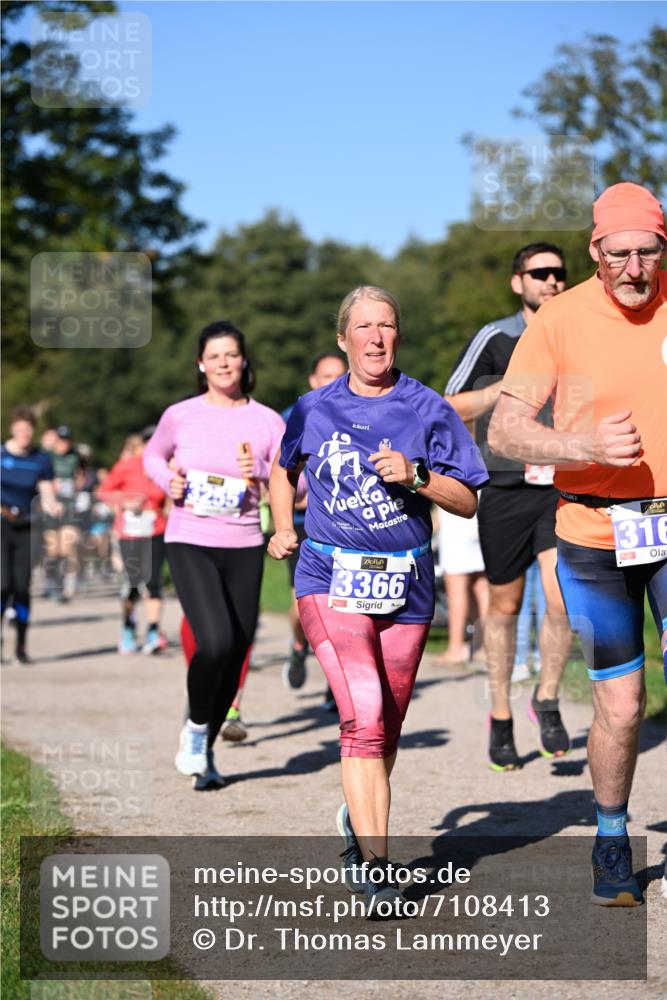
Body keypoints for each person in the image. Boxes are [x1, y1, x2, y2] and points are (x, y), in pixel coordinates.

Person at [268, 286, 488, 914]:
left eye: (387, 326)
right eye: (363, 327)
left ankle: (357, 820)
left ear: (398, 336)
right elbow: (283, 471)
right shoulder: (311, 409)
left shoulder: (428, 408)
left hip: (407, 582)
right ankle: (378, 868)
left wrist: (418, 477)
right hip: (329, 577)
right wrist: (284, 525)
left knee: (385, 726)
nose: (375, 337)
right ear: (343, 340)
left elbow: (469, 500)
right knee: (363, 716)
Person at [488, 182, 667, 906]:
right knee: (621, 707)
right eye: (617, 254)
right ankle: (610, 836)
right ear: (594, 251)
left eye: (646, 252)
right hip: (593, 531)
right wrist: (579, 443)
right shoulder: (559, 319)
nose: (632, 269)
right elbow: (504, 429)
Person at [446, 242, 572, 770]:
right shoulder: (495, 337)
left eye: (559, 273)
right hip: (503, 489)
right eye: (539, 273)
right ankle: (500, 714)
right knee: (504, 607)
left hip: (560, 487)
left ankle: (546, 697)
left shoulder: (576, 333)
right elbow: (449, 403)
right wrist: (505, 390)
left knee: (562, 598)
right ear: (517, 282)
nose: (552, 281)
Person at [144, 321, 285, 789]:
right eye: (215, 355)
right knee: (217, 641)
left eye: (232, 354)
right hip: (190, 539)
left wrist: (263, 470)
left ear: (245, 361)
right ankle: (196, 729)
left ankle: (203, 748)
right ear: (201, 364)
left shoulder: (267, 421)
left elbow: (296, 484)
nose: (224, 363)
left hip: (244, 542)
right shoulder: (181, 415)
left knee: (239, 647)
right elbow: (152, 456)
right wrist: (170, 481)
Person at [282, 351, 348, 693]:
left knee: (342, 605)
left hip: (344, 525)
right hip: (302, 526)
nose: (333, 383)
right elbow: (279, 474)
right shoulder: (295, 416)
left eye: (340, 375)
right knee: (303, 604)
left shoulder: (357, 415)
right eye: (326, 376)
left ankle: (334, 684)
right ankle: (298, 646)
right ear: (312, 380)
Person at [98, 433, 169, 655]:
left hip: (156, 529)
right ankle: (128, 628)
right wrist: (125, 502)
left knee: (154, 582)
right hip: (130, 531)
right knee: (134, 584)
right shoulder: (127, 465)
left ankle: (153, 632)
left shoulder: (163, 467)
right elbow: (104, 492)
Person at [1, 406, 61, 663]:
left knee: (22, 587)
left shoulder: (41, 459)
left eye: (29, 430)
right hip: (2, 524)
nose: (25, 434)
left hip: (27, 526)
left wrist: (53, 506)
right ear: (13, 429)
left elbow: (46, 491)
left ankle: (21, 645)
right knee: (2, 585)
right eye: (20, 429)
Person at [435, 506, 488, 664]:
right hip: (482, 515)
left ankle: (456, 648)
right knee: (482, 585)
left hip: (456, 520)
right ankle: (486, 646)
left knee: (456, 588)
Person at [42, 425, 84, 602]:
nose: (64, 444)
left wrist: (77, 486)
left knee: (67, 546)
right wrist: (52, 487)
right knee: (53, 549)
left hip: (69, 507)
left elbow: (81, 476)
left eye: (67, 440)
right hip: (50, 507)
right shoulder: (47, 457)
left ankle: (66, 584)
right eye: (61, 440)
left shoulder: (76, 456)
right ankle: (51, 581)